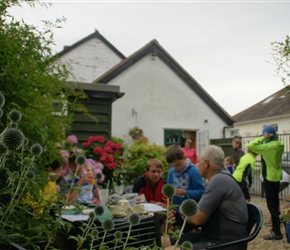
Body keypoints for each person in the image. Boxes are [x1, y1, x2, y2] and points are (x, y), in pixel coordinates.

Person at [163, 145, 248, 250]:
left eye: (200, 162)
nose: (197, 165)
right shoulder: (221, 178)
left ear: (206, 163)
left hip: (225, 243)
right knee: (162, 241)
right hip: (210, 236)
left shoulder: (219, 180)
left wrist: (179, 211)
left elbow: (197, 220)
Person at [247, 125, 284, 240]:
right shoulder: (279, 145)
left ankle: (277, 232)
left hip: (269, 177)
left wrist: (262, 138)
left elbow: (250, 145)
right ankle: (275, 228)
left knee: (271, 205)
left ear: (268, 135)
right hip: (276, 175)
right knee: (275, 203)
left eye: (264, 134)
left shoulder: (268, 147)